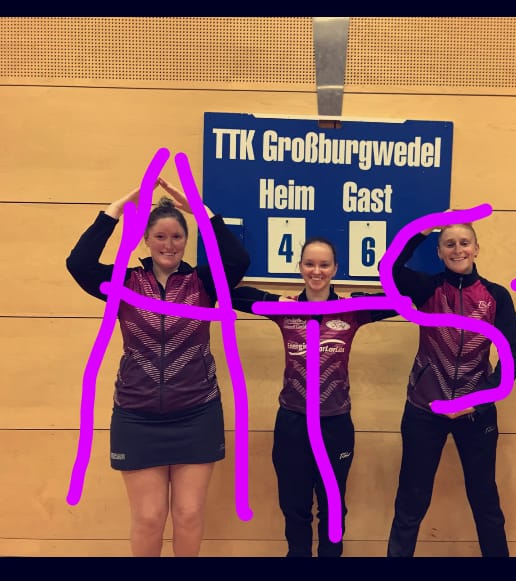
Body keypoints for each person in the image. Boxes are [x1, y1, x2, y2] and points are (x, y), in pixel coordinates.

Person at [66, 178, 250, 557]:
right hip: (137, 416)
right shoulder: (124, 282)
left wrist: (200, 212)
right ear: (146, 239)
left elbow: (238, 261)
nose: (169, 245)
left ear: (186, 240)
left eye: (177, 237)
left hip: (197, 414)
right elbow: (79, 263)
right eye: (161, 237)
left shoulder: (204, 282)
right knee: (149, 518)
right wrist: (117, 209)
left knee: (188, 515)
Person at [230, 237, 396, 558]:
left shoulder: (350, 311)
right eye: (309, 264)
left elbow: (399, 300)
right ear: (300, 267)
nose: (316, 271)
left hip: (335, 424)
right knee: (295, 508)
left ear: (335, 269)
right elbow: (232, 295)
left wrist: (358, 298)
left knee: (333, 509)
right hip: (293, 423)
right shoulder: (286, 309)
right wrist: (274, 298)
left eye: (324, 265)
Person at [386, 221, 516, 558]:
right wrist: (423, 228)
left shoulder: (496, 296)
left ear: (476, 248)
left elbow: (513, 360)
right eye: (449, 244)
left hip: (475, 412)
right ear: (438, 251)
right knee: (411, 501)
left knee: (485, 500)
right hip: (424, 409)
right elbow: (389, 268)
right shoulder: (426, 289)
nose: (458, 250)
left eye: (464, 242)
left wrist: (476, 401)